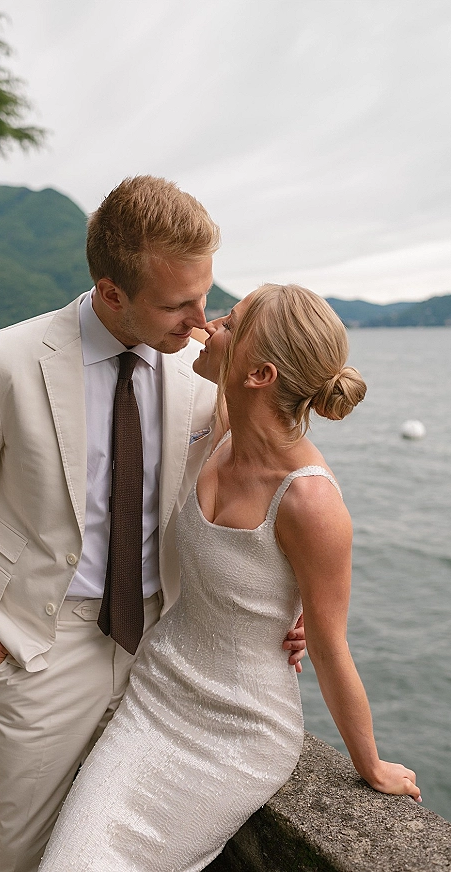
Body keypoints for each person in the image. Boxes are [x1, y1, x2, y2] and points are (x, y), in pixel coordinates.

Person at [0, 177, 305, 872]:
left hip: (166, 648)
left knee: (129, 848)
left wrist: (290, 602)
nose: (201, 322)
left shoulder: (202, 364)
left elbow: (269, 477)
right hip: (39, 646)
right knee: (22, 849)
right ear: (111, 293)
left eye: (204, 296)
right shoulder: (5, 360)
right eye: (177, 304)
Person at [39, 283, 421, 872]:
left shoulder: (310, 502)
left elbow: (329, 644)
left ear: (260, 374)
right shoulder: (221, 428)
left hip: (237, 733)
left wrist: (369, 765)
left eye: (229, 321)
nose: (209, 322)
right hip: (155, 695)